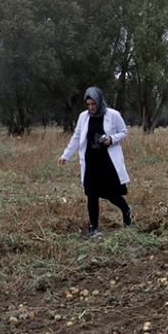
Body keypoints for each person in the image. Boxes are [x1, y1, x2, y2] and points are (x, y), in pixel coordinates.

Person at [58, 86, 132, 238]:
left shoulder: (113, 115)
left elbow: (124, 132)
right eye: (89, 104)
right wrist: (66, 155)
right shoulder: (83, 117)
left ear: (100, 101)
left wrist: (111, 139)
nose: (91, 107)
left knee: (111, 194)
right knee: (92, 194)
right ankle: (93, 228)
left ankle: (126, 210)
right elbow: (77, 137)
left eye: (94, 104)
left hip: (108, 162)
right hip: (91, 162)